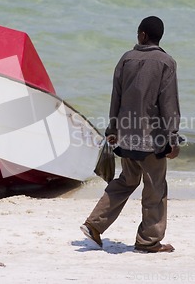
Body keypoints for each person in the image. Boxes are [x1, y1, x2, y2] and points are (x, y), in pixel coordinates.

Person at [80, 16, 181, 253]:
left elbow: (117, 97)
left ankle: (94, 225)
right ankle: (148, 241)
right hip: (152, 140)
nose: (137, 36)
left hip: (126, 136)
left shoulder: (126, 59)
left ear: (144, 35)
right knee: (155, 188)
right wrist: (173, 138)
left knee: (126, 181)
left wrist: (112, 129)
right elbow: (169, 103)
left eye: (138, 33)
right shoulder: (166, 63)